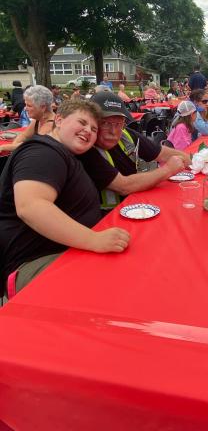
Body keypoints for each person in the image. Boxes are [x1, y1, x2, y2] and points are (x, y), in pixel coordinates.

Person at [0, 99, 130, 297]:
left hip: (68, 250)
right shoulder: (43, 152)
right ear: (59, 120)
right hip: (35, 262)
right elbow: (31, 206)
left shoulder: (66, 154)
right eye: (82, 123)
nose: (88, 131)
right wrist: (94, 239)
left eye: (94, 129)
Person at [77, 92, 188, 211]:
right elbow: (124, 186)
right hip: (104, 219)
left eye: (119, 123)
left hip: (132, 207)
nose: (113, 131)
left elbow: (161, 153)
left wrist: (191, 159)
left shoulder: (126, 134)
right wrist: (168, 169)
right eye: (105, 123)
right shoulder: (86, 148)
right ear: (92, 122)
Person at [0, 85, 56, 154]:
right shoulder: (37, 120)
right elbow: (24, 135)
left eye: (29, 105)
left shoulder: (51, 126)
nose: (25, 108)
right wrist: (13, 146)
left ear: (43, 107)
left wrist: (4, 147)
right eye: (25, 105)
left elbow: (32, 146)